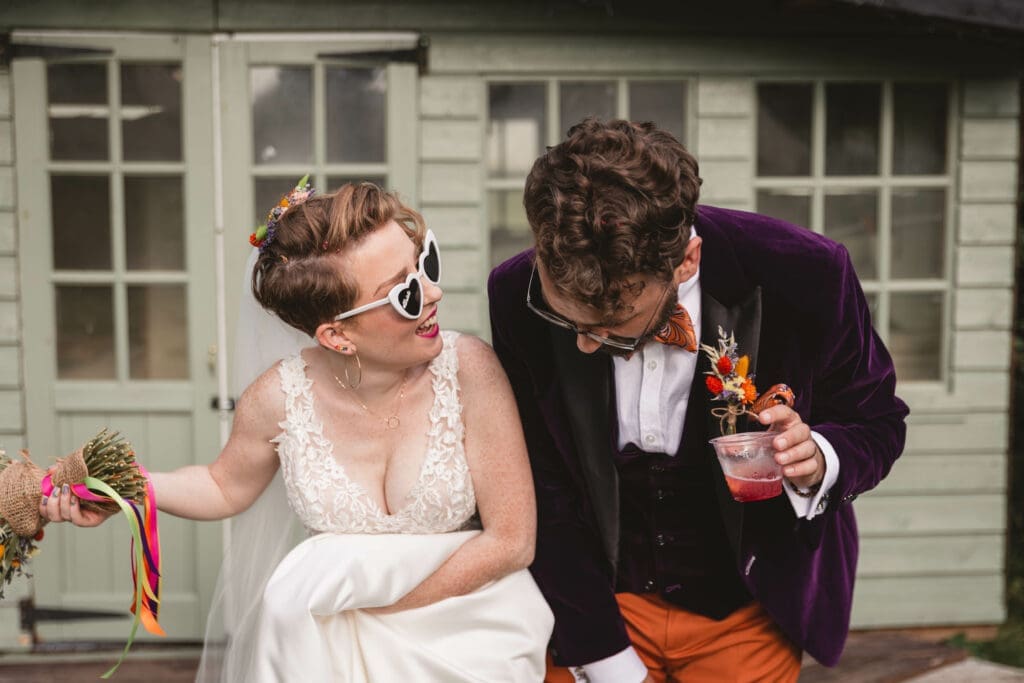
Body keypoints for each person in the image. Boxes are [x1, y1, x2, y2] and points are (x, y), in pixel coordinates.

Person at [41, 181, 554, 682]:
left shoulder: (469, 370)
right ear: (337, 335)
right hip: (319, 649)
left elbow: (512, 542)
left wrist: (378, 602)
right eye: (405, 292)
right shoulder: (280, 396)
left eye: (426, 262)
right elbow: (224, 485)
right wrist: (124, 489)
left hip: (468, 642)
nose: (434, 291)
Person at [487, 118, 909, 683]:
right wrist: (603, 652)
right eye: (566, 321)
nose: (584, 343)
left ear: (686, 261)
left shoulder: (807, 274)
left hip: (748, 607)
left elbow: (877, 419)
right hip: (591, 599)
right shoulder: (517, 293)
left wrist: (820, 459)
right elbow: (540, 479)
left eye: (613, 326)